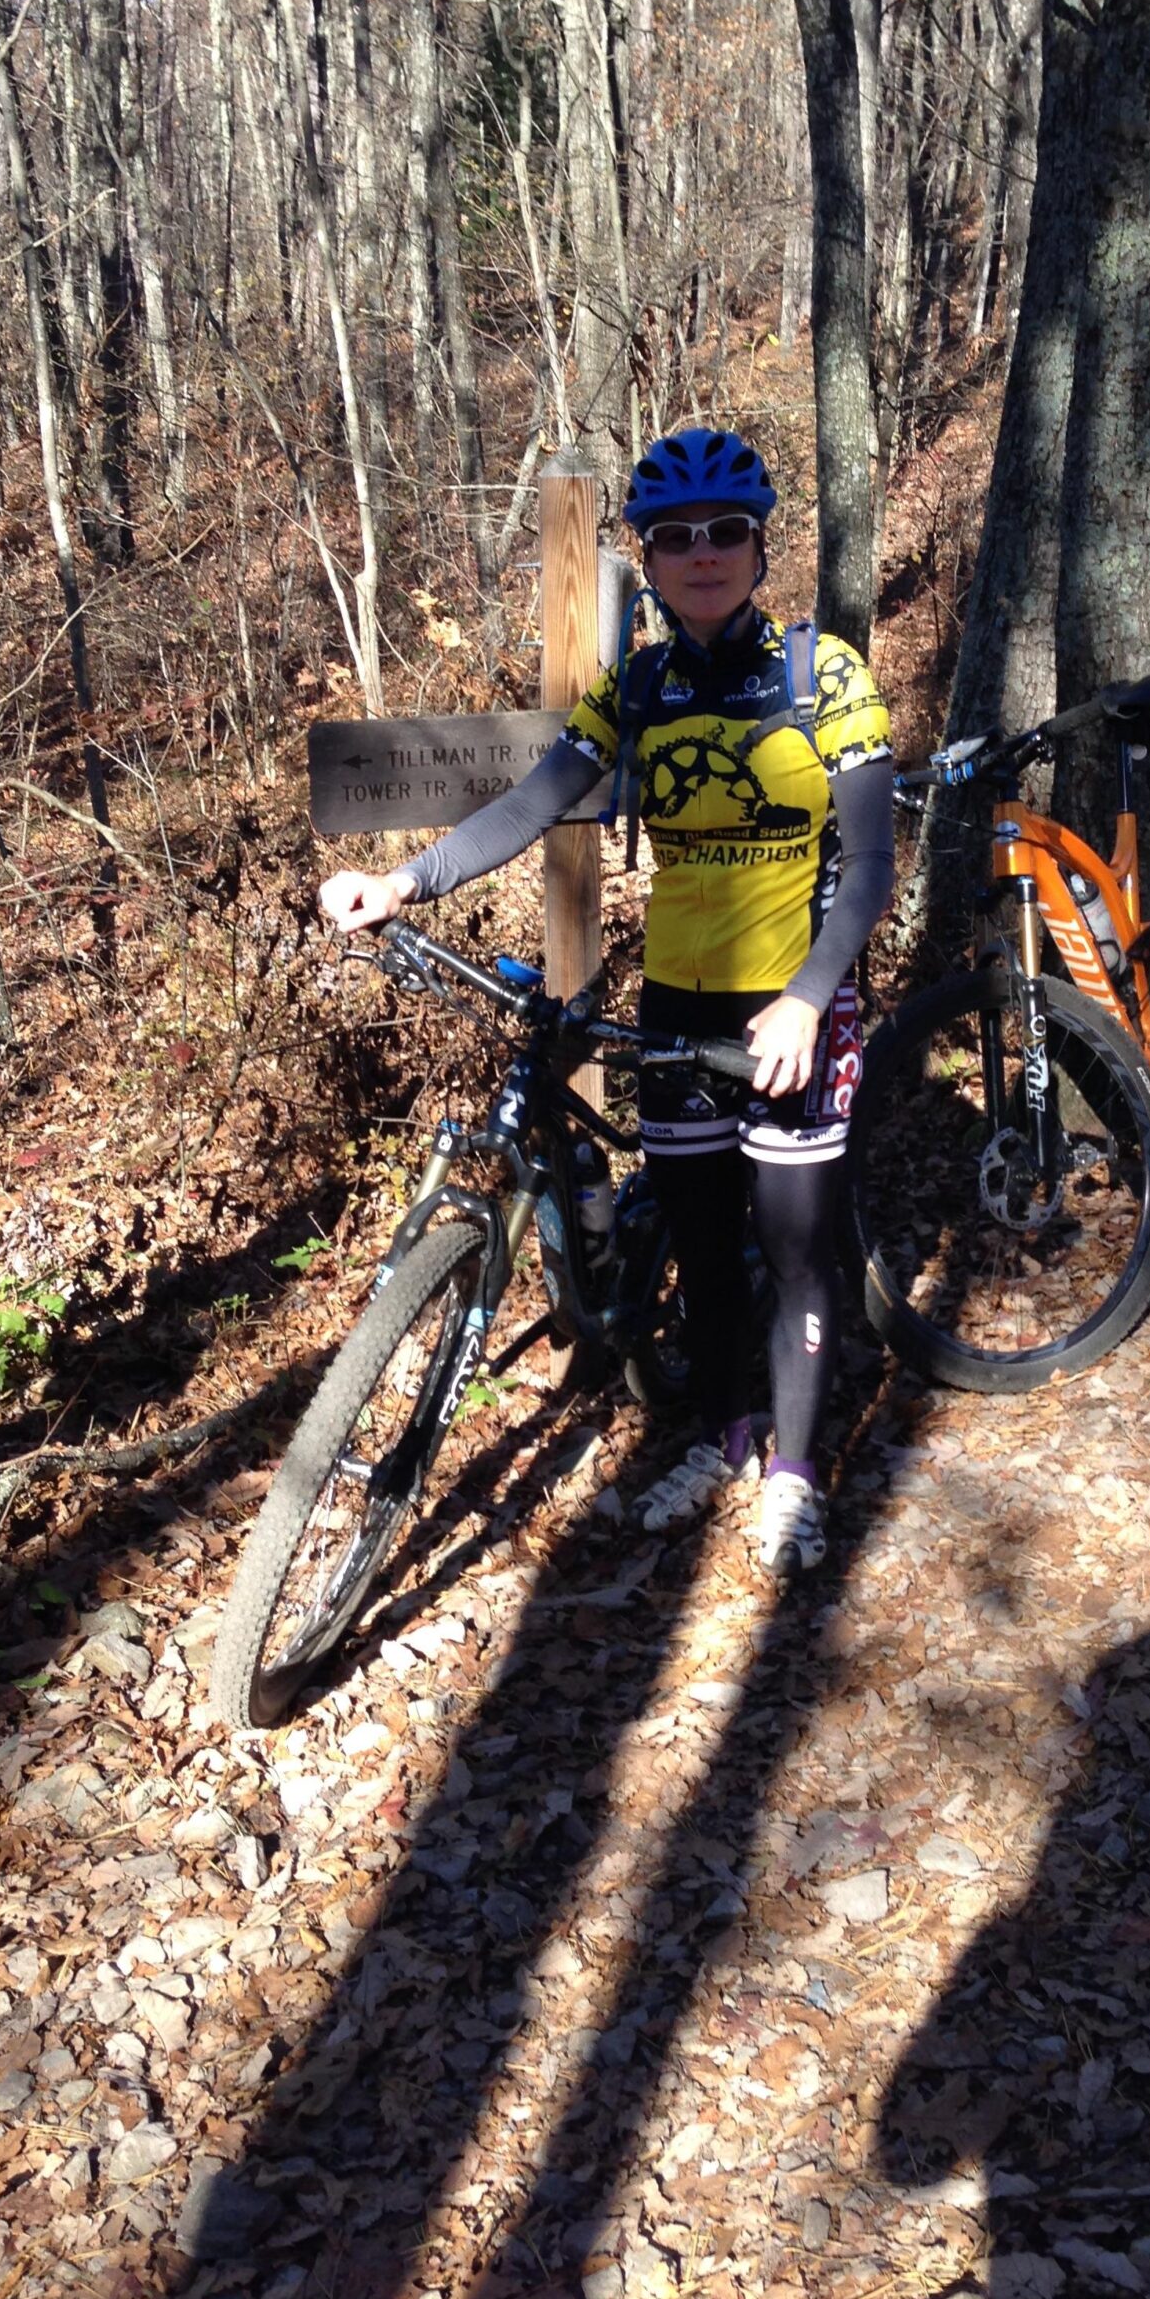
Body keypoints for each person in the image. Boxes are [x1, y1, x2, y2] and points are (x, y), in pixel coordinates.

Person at [320, 428, 894, 1574]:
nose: (701, 555)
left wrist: (807, 1000)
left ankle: (793, 1471)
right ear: (650, 554)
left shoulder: (821, 675)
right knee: (697, 1239)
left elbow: (872, 865)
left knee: (794, 1252)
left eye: (724, 532)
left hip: (793, 1010)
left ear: (758, 543)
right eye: (674, 538)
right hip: (679, 1012)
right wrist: (404, 879)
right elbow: (535, 800)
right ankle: (731, 1432)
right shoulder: (642, 683)